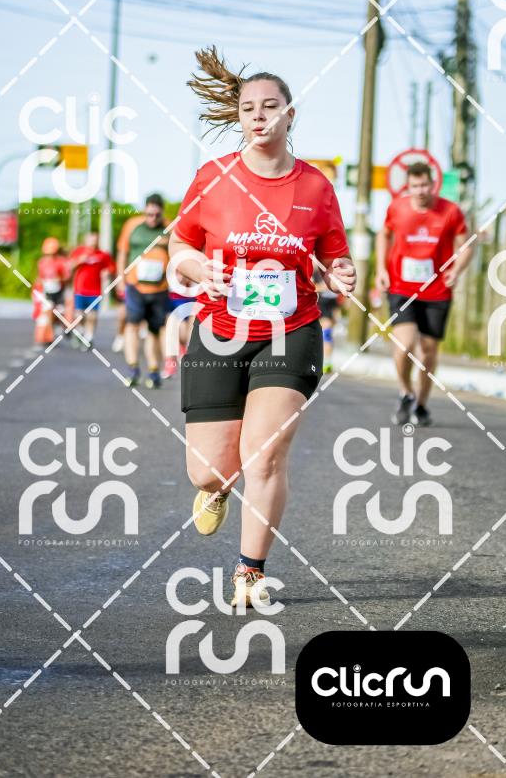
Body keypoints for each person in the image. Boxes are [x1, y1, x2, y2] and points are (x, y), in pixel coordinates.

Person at [169, 46, 356, 607]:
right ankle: (217, 489)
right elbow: (179, 245)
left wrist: (341, 273)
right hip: (219, 329)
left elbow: (336, 259)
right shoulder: (213, 177)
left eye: (270, 106)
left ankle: (249, 572)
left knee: (265, 454)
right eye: (249, 108)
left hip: (291, 329)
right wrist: (198, 268)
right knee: (208, 471)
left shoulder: (316, 187)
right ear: (239, 116)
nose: (259, 116)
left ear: (289, 115)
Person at [375, 161, 474, 426]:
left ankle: (420, 405)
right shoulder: (397, 208)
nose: (420, 191)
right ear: (408, 187)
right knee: (404, 345)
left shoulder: (450, 211)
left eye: (424, 185)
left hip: (437, 291)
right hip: (401, 287)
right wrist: (381, 269)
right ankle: (406, 391)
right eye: (415, 185)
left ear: (433, 185)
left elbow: (466, 245)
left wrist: (457, 270)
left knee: (429, 351)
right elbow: (384, 235)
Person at [116, 194, 170, 389]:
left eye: (156, 215)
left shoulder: (169, 228)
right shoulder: (133, 225)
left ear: (162, 212)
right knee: (132, 325)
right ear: (144, 210)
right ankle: (133, 369)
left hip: (159, 288)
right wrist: (120, 278)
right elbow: (122, 252)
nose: (152, 218)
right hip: (135, 286)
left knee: (154, 330)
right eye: (149, 214)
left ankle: (154, 371)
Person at [68, 232, 115, 349]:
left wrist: (107, 273)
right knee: (79, 315)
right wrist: (79, 261)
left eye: (95, 240)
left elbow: (111, 268)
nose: (93, 243)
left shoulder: (103, 255)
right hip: (80, 289)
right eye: (91, 240)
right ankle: (80, 331)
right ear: (86, 240)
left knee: (92, 315)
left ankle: (88, 337)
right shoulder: (78, 252)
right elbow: (69, 267)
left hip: (95, 290)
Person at [313, 265, 343, 374]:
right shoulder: (315, 272)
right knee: (317, 335)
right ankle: (316, 360)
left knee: (327, 334)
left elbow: (339, 295)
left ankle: (327, 362)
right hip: (317, 304)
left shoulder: (336, 272)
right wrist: (322, 287)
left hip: (330, 306)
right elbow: (309, 287)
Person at [36, 237, 69, 331]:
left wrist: (59, 279)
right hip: (47, 290)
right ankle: (50, 330)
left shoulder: (61, 261)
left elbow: (67, 277)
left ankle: (60, 324)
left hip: (60, 291)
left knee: (60, 311)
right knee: (48, 308)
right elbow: (40, 277)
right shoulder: (42, 262)